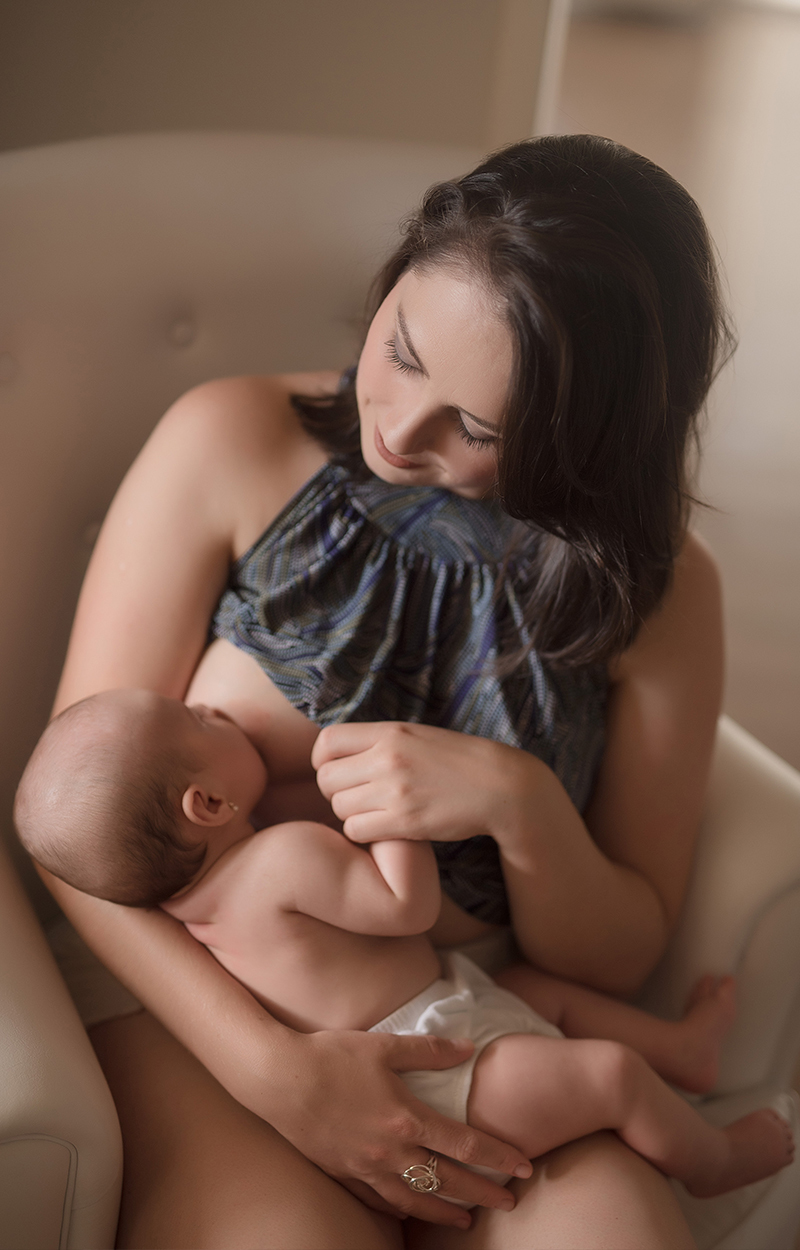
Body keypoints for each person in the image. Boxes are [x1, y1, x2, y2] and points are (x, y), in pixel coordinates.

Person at [35, 134, 735, 1247]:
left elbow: (618, 949)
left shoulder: (657, 594)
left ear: (589, 444)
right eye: (402, 351)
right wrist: (275, 1072)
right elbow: (70, 835)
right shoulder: (232, 441)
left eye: (480, 428)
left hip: (466, 1013)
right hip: (200, 1007)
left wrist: (518, 802)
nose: (398, 432)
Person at [16, 688, 794, 1208]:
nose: (212, 706)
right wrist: (389, 812)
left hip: (424, 1040)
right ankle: (713, 1162)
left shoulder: (193, 914)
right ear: (210, 803)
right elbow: (404, 906)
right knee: (612, 1076)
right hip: (439, 1074)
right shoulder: (282, 856)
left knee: (537, 988)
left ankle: (683, 1052)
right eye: (196, 720)